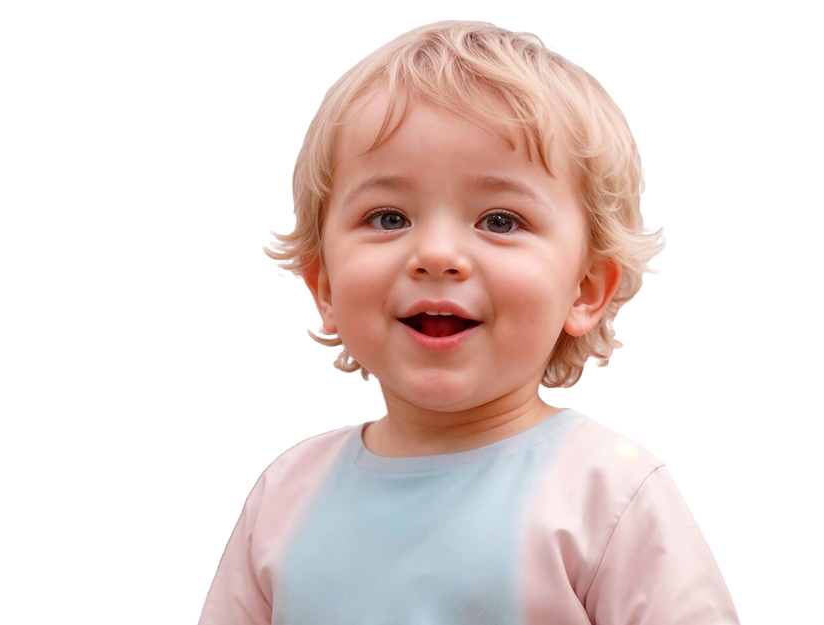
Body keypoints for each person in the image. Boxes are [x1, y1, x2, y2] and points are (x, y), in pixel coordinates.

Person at [200, 20, 739, 624]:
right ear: (323, 283)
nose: (436, 254)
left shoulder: (608, 493)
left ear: (586, 288)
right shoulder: (286, 493)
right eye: (388, 217)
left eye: (500, 220)